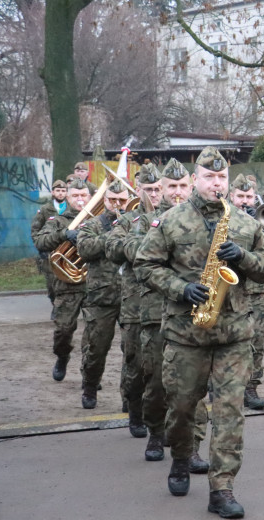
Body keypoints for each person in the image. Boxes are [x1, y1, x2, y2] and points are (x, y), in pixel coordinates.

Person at [135, 147, 264, 518]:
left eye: (222, 179)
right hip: (186, 333)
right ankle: (181, 457)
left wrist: (242, 258)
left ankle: (222, 489)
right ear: (195, 179)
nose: (217, 184)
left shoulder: (246, 224)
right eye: (210, 177)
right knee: (182, 409)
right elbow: (145, 265)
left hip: (234, 334)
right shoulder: (170, 221)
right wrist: (180, 288)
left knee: (230, 413)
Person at [131, 159, 209, 469]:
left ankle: (191, 447)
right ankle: (155, 432)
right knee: (156, 382)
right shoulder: (143, 221)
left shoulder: (201, 218)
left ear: (190, 184)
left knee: (193, 386)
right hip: (151, 313)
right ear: (159, 190)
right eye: (170, 187)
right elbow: (134, 255)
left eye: (181, 186)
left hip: (191, 315)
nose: (177, 193)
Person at [106, 163, 161, 436]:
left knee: (165, 369)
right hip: (136, 306)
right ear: (137, 190)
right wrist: (147, 244)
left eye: (157, 189)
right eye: (148, 189)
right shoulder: (128, 220)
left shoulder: (175, 217)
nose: (154, 194)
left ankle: (163, 425)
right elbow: (113, 248)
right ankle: (136, 413)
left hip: (167, 305)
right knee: (136, 365)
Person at [230, 174, 264, 410]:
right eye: (240, 196)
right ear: (232, 196)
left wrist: (262, 225)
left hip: (258, 291)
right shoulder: (223, 218)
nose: (244, 201)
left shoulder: (258, 219)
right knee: (229, 339)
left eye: (249, 196)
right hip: (232, 290)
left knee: (258, 340)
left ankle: (251, 388)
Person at [76, 179, 129, 409]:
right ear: (104, 201)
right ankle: (89, 386)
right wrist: (114, 235)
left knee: (133, 353)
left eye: (122, 200)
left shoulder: (135, 223)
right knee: (96, 348)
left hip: (130, 296)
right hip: (102, 297)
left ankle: (130, 398)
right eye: (112, 200)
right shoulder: (92, 224)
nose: (117, 204)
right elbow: (84, 249)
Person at [36, 178, 91, 382]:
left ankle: (90, 375)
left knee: (94, 336)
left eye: (83, 195)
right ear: (67, 197)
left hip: (94, 285)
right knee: (63, 330)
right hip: (67, 285)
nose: (80, 200)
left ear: (90, 197)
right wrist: (64, 235)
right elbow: (40, 241)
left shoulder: (99, 220)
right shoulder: (57, 221)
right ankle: (62, 356)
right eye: (75, 195)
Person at [32, 179, 67, 308]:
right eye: (58, 191)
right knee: (51, 283)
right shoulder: (45, 209)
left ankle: (61, 308)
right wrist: (41, 246)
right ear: (53, 192)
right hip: (50, 251)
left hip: (66, 251)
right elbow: (36, 229)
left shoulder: (70, 208)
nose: (61, 194)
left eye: (63, 191)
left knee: (65, 282)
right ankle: (55, 304)